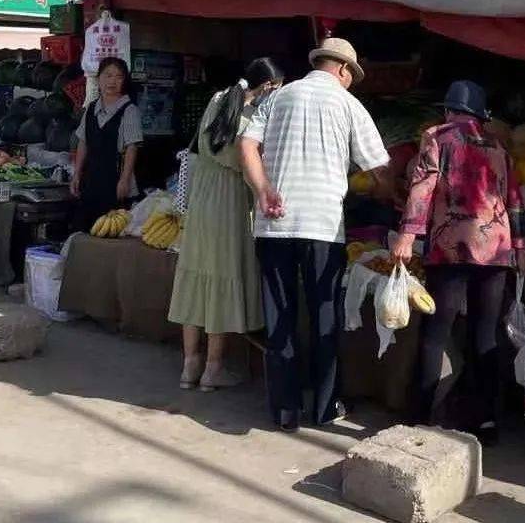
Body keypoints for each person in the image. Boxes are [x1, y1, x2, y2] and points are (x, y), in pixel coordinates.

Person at [239, 38, 391, 432]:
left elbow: (246, 145)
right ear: (343, 70)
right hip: (323, 225)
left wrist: (263, 190)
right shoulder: (348, 104)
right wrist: (394, 199)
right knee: (324, 314)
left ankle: (285, 410)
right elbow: (379, 169)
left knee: (280, 316)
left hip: (274, 223)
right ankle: (325, 407)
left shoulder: (278, 96)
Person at [391, 80, 525, 445]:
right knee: (485, 334)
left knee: (437, 331)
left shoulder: (437, 137)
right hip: (496, 250)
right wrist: (521, 248)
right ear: (479, 115)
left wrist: (407, 234)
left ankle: (420, 416)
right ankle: (486, 421)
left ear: (449, 110)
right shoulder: (498, 145)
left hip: (451, 247)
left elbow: (423, 186)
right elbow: (514, 199)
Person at [169, 58, 284, 392]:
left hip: (202, 196)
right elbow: (246, 164)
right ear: (268, 86)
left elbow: (207, 148)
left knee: (195, 277)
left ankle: (189, 365)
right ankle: (213, 369)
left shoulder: (219, 98)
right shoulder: (256, 115)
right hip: (231, 201)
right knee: (221, 279)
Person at [70, 56, 143, 232]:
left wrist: (125, 180)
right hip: (91, 179)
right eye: (108, 75)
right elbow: (83, 143)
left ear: (124, 80)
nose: (112, 81)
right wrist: (77, 174)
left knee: (112, 231)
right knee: (87, 228)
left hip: (115, 179)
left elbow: (132, 147)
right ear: (99, 78)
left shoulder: (129, 110)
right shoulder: (91, 109)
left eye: (119, 76)